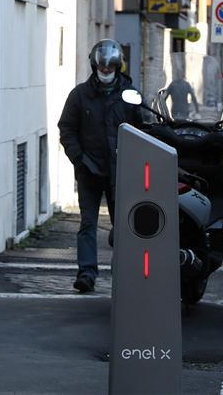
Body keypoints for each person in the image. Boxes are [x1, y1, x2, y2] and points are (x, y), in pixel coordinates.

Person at [58, 39, 141, 293]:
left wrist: (135, 162)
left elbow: (143, 130)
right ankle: (86, 273)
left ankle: (123, 273)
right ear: (95, 67)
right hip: (89, 170)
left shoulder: (130, 96)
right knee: (87, 224)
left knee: (124, 226)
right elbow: (67, 129)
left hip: (121, 171)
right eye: (102, 68)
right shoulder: (80, 95)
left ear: (117, 67)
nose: (106, 72)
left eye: (110, 68)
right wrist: (79, 159)